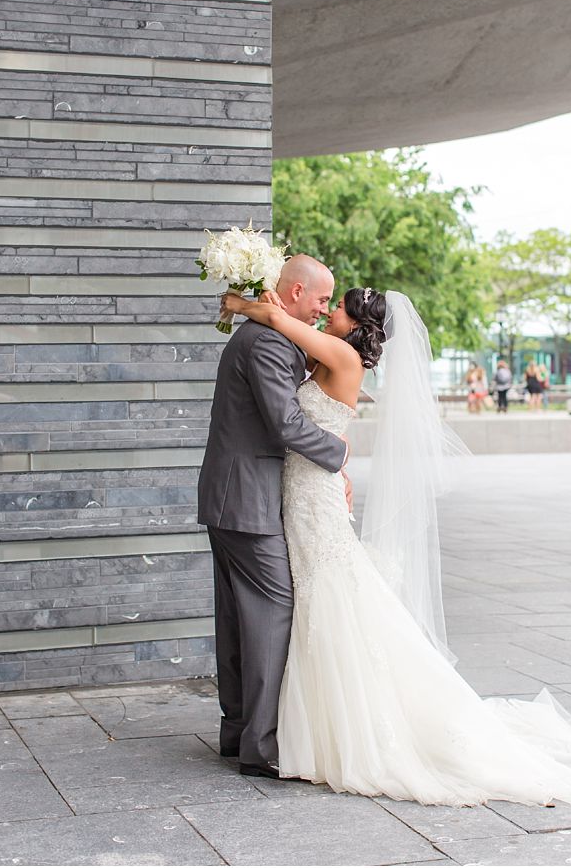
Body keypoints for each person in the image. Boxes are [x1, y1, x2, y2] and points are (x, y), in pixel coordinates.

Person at [218, 286, 571, 805]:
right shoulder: (333, 353)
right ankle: (307, 724)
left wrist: (241, 302)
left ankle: (334, 729)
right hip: (304, 488)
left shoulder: (341, 355)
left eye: (337, 306)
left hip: (312, 496)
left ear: (356, 321)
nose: (329, 312)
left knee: (329, 597)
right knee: (321, 599)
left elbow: (279, 320)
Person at [196, 254, 349, 778]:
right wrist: (340, 454)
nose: (324, 309)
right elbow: (284, 423)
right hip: (246, 500)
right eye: (322, 299)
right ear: (296, 291)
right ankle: (260, 748)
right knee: (270, 613)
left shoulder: (269, 333)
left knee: (240, 618)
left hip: (234, 497)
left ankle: (239, 732)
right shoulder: (266, 343)